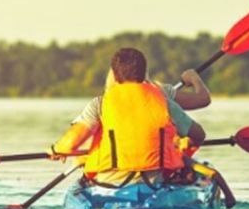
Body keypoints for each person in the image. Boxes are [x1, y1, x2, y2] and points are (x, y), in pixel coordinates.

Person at [47, 47, 208, 186]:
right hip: (152, 189)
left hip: (107, 188)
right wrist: (182, 151)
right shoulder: (164, 102)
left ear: (115, 76)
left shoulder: (100, 104)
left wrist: (55, 149)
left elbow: (68, 146)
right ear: (144, 73)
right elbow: (199, 135)